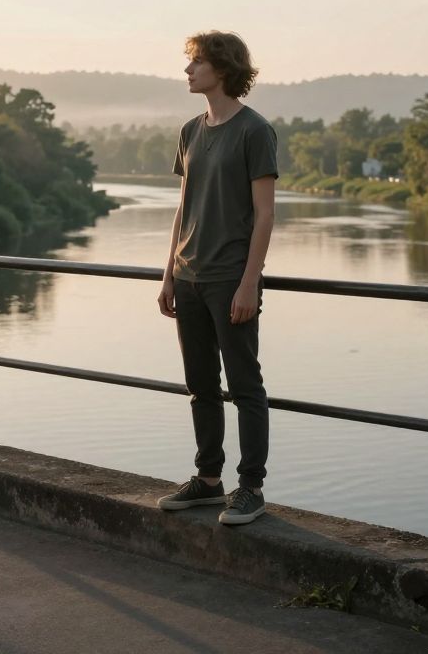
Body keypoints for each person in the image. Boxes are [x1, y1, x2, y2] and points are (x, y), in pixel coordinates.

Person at [156, 30, 278, 525]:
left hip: (231, 279)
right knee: (201, 385)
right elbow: (183, 207)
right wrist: (168, 274)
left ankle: (251, 488)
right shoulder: (190, 130)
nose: (188, 70)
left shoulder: (255, 130)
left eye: (196, 63)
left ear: (223, 69)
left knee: (245, 385)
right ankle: (209, 480)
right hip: (188, 278)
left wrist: (250, 282)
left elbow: (265, 215)